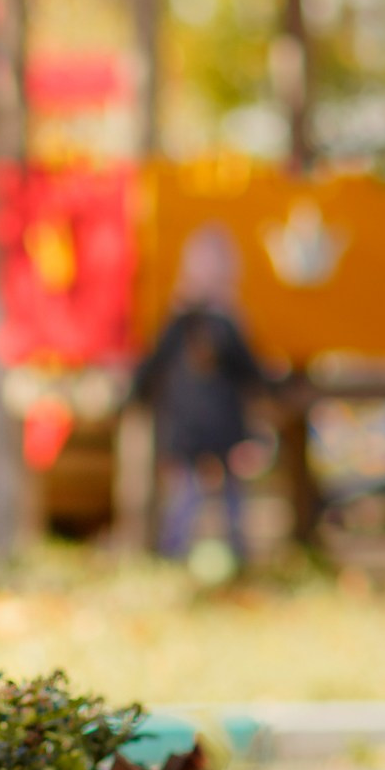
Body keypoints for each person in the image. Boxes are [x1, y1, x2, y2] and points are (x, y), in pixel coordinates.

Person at [133, 225, 266, 566]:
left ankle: (238, 556)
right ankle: (172, 554)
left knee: (230, 498)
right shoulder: (178, 322)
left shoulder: (227, 323)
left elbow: (248, 369)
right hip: (188, 426)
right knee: (187, 496)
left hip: (222, 425)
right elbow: (154, 363)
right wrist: (134, 394)